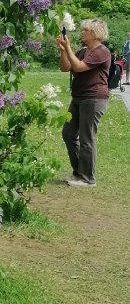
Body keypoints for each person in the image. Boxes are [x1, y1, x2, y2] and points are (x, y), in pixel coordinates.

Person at [57, 18, 110, 187]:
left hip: (93, 98)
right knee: (68, 133)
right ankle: (79, 173)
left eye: (85, 30)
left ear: (95, 33)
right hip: (79, 97)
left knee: (87, 138)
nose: (83, 32)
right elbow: (65, 68)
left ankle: (87, 178)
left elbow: (79, 67)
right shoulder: (83, 51)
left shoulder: (102, 52)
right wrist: (63, 51)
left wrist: (68, 47)